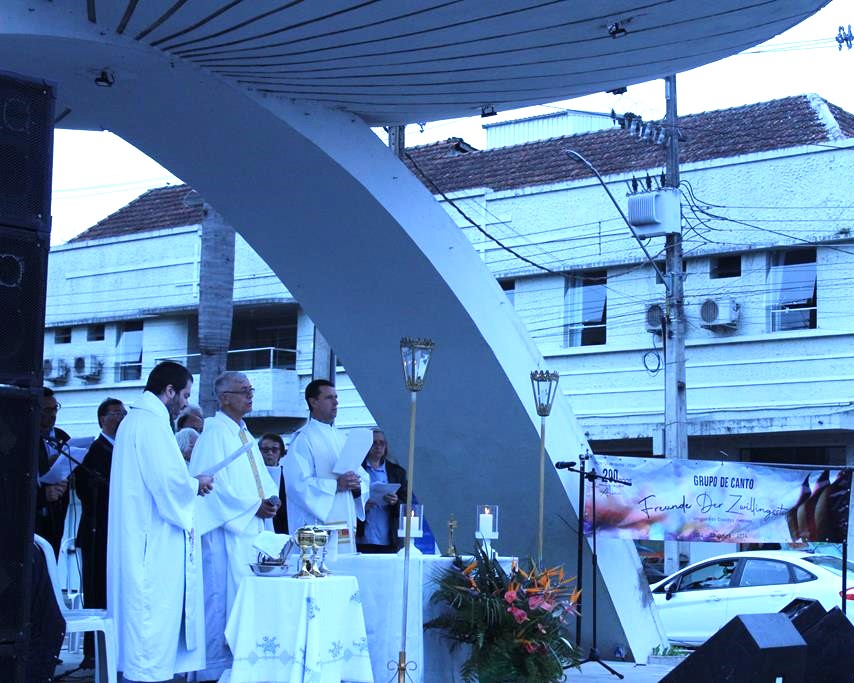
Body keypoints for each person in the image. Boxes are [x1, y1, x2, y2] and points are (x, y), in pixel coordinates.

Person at [106, 361, 214, 683]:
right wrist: (196, 484)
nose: (185, 403)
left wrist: (187, 483)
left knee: (144, 622)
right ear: (169, 391)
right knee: (149, 620)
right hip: (151, 540)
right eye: (185, 395)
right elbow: (168, 484)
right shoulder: (152, 424)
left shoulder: (134, 421)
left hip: (141, 531)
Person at [189, 371, 279, 682]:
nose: (250, 395)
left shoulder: (244, 433)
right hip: (227, 535)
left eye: (251, 389)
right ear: (225, 397)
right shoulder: (214, 434)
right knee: (223, 599)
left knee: (247, 598)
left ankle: (246, 665)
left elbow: (261, 478)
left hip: (251, 532)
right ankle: (216, 670)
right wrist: (253, 506)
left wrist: (271, 499)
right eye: (244, 390)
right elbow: (208, 486)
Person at [285, 379, 368, 554]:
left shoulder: (342, 438)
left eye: (336, 397)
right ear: (313, 402)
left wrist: (357, 485)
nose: (336, 402)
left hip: (345, 520)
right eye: (329, 398)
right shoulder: (303, 439)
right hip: (316, 527)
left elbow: (362, 476)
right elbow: (296, 485)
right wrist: (336, 485)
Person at [75, 397, 126, 670]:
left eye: (123, 412)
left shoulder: (123, 448)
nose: (121, 417)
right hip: (98, 531)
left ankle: (114, 647)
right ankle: (93, 651)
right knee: (96, 591)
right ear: (102, 419)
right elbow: (87, 490)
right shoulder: (95, 451)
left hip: (117, 532)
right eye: (115, 413)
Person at [357, 429, 408, 553]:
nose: (378, 447)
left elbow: (407, 505)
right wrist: (361, 507)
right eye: (374, 443)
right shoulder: (357, 469)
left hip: (389, 538)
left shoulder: (397, 472)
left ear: (386, 446)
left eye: (382, 443)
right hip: (361, 537)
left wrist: (395, 502)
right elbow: (346, 499)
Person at [35, 387, 70, 558]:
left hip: (57, 513)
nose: (53, 415)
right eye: (47, 410)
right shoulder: (21, 438)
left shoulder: (62, 436)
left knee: (51, 562)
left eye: (55, 409)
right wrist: (42, 494)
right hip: (33, 516)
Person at [260, 432, 289, 534]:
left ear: (281, 452)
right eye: (265, 450)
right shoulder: (252, 474)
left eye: (274, 449)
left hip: (283, 525)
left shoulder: (287, 474)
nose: (270, 453)